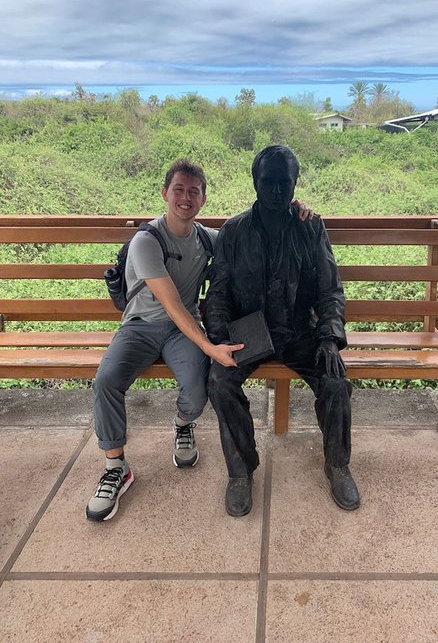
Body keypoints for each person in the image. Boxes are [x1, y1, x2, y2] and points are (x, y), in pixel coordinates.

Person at [86, 159, 318, 522]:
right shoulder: (146, 242)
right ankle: (116, 465)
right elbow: (173, 304)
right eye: (178, 189)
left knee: (198, 391)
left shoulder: (206, 237)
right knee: (106, 382)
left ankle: (183, 423)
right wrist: (209, 346)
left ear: (203, 199)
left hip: (182, 332)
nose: (186, 198)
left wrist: (294, 205)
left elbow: (243, 237)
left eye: (194, 191)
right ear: (165, 193)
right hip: (141, 327)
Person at [205, 145, 358, 517]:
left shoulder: (310, 227)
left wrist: (328, 336)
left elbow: (329, 290)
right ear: (255, 182)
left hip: (299, 331)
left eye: (284, 182)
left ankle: (337, 464)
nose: (276, 191)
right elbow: (218, 293)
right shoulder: (233, 231)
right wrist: (220, 339)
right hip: (249, 331)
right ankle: (240, 472)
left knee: (336, 381)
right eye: (268, 182)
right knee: (220, 382)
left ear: (295, 184)